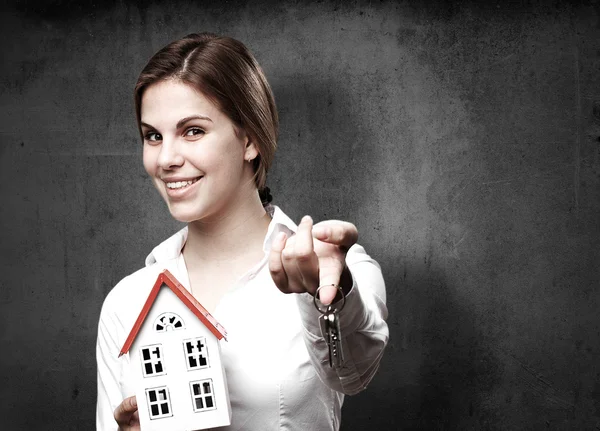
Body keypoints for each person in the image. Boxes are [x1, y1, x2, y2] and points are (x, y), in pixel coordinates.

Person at [96, 32, 389, 431]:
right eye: (153, 136)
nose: (165, 159)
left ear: (249, 138)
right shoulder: (127, 302)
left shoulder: (334, 269)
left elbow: (353, 374)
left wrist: (328, 300)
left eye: (193, 131)